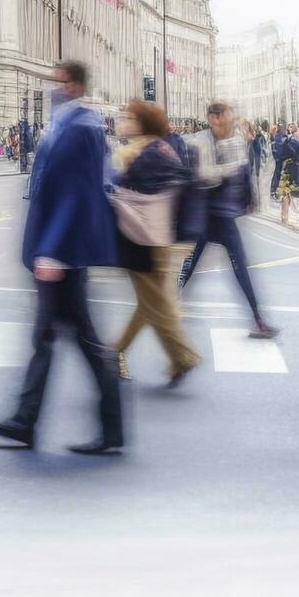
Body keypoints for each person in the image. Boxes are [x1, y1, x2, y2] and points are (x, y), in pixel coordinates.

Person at [0, 61, 129, 454]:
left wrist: (52, 251)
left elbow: (76, 194)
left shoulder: (80, 127)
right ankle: (31, 422)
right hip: (58, 252)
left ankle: (38, 422)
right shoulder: (65, 123)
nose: (53, 88)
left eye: (60, 82)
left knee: (70, 341)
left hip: (62, 254)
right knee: (57, 340)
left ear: (76, 86)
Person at [109, 100, 204, 386]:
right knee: (151, 301)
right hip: (163, 236)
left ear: (140, 123)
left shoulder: (129, 152)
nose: (122, 121)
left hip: (138, 237)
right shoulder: (165, 148)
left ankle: (181, 357)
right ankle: (170, 359)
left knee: (154, 303)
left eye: (128, 117)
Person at [178, 102, 277, 339]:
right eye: (223, 118)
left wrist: (249, 198)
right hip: (205, 216)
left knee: (239, 267)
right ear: (213, 118)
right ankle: (167, 304)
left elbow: (242, 172)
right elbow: (204, 175)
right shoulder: (200, 141)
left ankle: (258, 319)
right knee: (189, 265)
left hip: (223, 216)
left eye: (229, 118)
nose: (227, 122)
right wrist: (228, 169)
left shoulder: (234, 140)